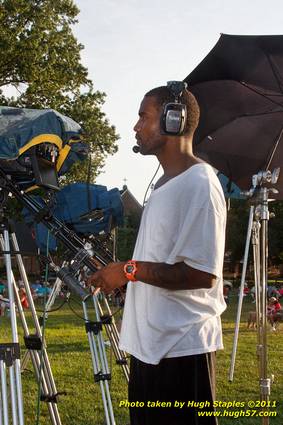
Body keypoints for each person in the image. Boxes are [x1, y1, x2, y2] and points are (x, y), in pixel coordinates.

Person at [87, 82, 227, 425]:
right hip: (150, 349)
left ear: (173, 119)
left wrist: (128, 270)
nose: (136, 126)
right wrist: (121, 278)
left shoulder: (199, 183)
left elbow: (200, 274)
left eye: (143, 116)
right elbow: (159, 264)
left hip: (182, 351)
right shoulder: (164, 186)